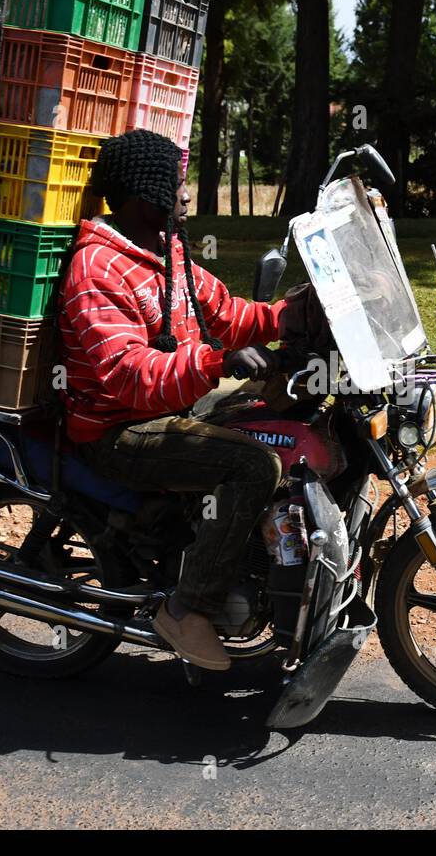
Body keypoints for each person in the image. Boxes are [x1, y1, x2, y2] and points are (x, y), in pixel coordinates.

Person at [58, 130, 287, 672]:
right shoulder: (96, 272)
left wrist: (296, 315)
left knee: (274, 415)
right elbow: (130, 377)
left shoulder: (165, 254)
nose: (186, 194)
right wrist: (217, 362)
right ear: (144, 195)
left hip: (170, 409)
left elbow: (229, 315)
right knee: (254, 465)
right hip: (118, 431)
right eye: (178, 183)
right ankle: (188, 609)